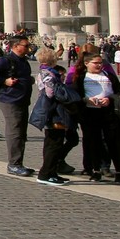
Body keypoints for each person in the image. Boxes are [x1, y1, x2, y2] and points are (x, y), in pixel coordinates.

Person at [0, 35, 35, 177]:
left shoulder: (23, 61)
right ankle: (13, 164)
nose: (28, 47)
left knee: (21, 133)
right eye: (25, 45)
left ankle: (19, 163)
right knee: (15, 132)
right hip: (10, 100)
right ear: (15, 46)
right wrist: (3, 81)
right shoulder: (5, 60)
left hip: (22, 99)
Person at [74, 53, 120, 183]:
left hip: (109, 113)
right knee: (94, 143)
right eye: (96, 63)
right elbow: (75, 95)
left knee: (112, 142)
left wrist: (109, 99)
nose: (99, 65)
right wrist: (86, 100)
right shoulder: (81, 77)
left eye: (100, 63)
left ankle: (118, 170)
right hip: (89, 114)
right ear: (87, 63)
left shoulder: (109, 76)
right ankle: (96, 170)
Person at [31, 47, 79, 186]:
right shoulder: (48, 73)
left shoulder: (44, 71)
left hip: (51, 109)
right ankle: (45, 174)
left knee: (53, 143)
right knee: (54, 143)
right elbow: (51, 93)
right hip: (53, 111)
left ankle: (51, 173)